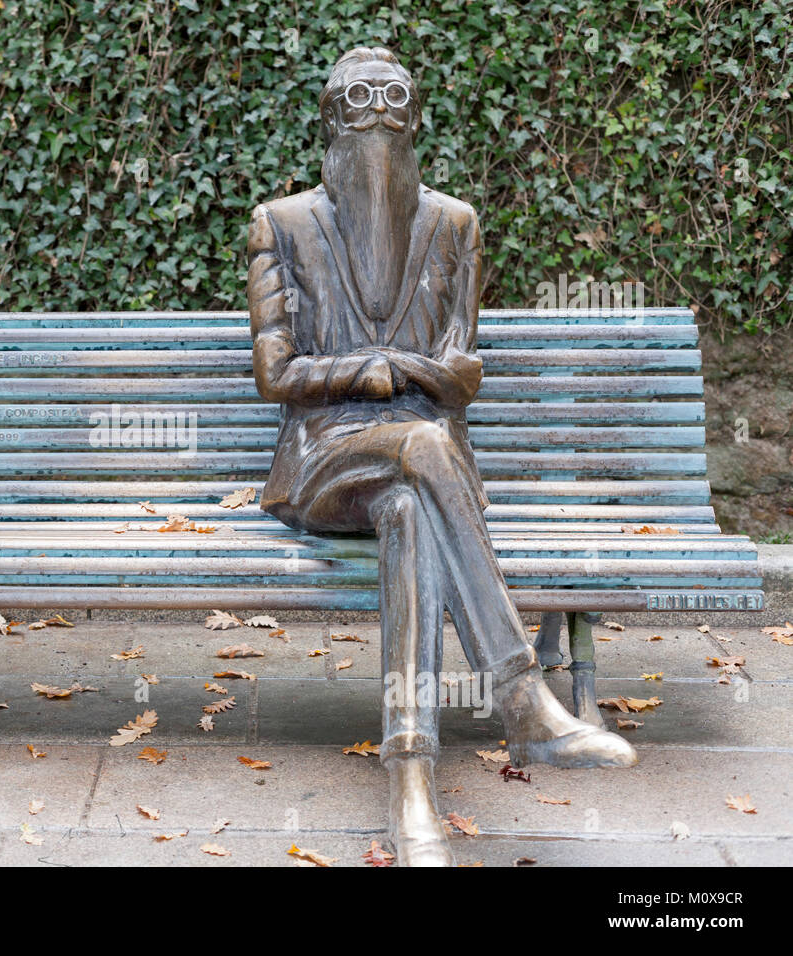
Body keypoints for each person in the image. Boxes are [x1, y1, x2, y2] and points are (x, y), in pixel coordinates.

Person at [248, 46, 636, 866]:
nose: (378, 115)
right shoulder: (280, 226)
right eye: (359, 99)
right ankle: (521, 697)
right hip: (325, 466)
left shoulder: (454, 223)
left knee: (410, 515)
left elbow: (465, 375)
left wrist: (395, 377)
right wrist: (389, 373)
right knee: (423, 440)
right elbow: (277, 374)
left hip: (420, 479)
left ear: (417, 115)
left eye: (395, 99)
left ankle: (413, 781)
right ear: (329, 117)